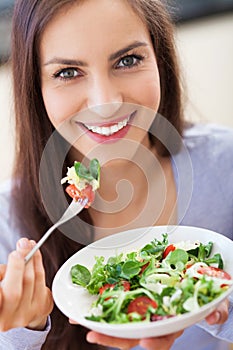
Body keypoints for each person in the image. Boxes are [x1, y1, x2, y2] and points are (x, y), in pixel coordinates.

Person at [0, 0, 232, 349]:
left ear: (160, 60)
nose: (105, 102)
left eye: (127, 60)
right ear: (36, 88)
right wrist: (23, 331)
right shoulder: (6, 222)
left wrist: (224, 310)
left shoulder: (224, 165)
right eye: (67, 72)